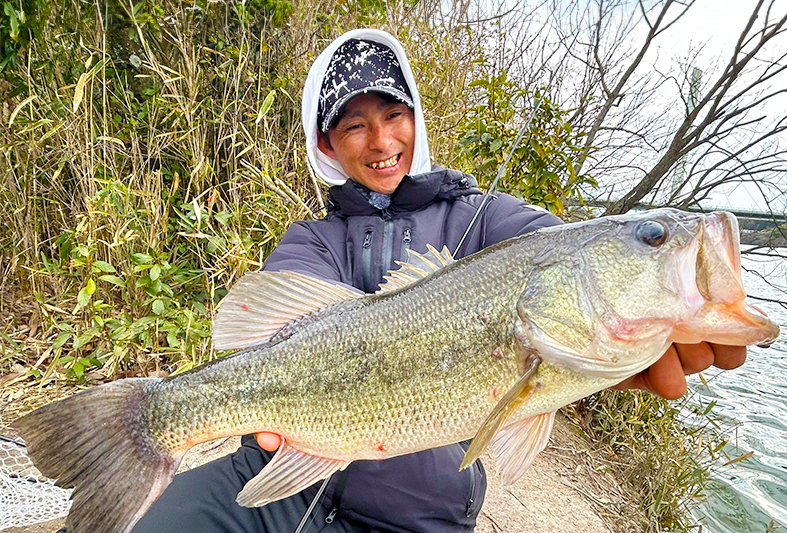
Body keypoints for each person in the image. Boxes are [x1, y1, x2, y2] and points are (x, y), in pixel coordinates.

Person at [128, 28, 746, 533]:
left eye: (394, 115)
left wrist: (633, 336)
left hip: (417, 512)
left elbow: (564, 246)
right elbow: (276, 324)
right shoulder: (310, 241)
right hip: (290, 479)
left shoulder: (488, 219)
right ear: (328, 145)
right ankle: (148, 425)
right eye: (353, 126)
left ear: (417, 120)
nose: (380, 140)